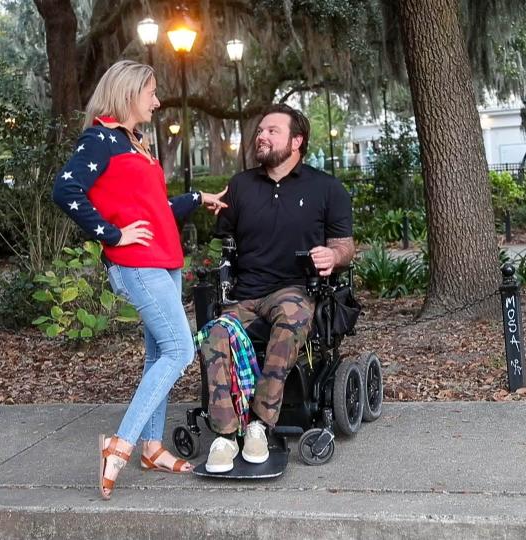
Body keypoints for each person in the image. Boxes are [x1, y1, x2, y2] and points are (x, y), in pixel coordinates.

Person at [51, 60, 227, 500]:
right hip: (137, 264)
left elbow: (154, 207)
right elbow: (64, 191)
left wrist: (197, 198)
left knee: (157, 355)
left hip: (164, 261)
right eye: (151, 92)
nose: (157, 100)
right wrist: (112, 234)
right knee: (180, 350)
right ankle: (122, 443)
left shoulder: (135, 141)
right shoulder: (101, 139)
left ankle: (151, 448)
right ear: (129, 93)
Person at [199, 104, 355, 473]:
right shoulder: (241, 186)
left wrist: (332, 255)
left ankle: (259, 424)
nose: (261, 136)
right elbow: (223, 241)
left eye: (272, 131)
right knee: (215, 334)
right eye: (260, 131)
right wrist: (217, 213)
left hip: (293, 289)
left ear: (296, 141)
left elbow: (346, 246)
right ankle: (224, 434)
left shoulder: (326, 188)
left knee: (290, 320)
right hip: (246, 292)